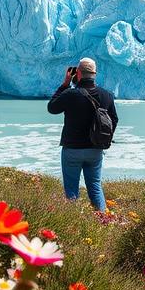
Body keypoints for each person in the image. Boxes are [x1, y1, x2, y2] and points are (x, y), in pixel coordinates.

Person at [47, 58, 118, 211]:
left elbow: (52, 108)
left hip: (72, 149)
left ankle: (74, 225)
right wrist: (104, 139)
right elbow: (114, 120)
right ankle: (103, 221)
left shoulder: (71, 94)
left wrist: (65, 85)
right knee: (95, 187)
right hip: (95, 149)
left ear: (78, 73)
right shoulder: (107, 95)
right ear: (94, 74)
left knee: (71, 191)